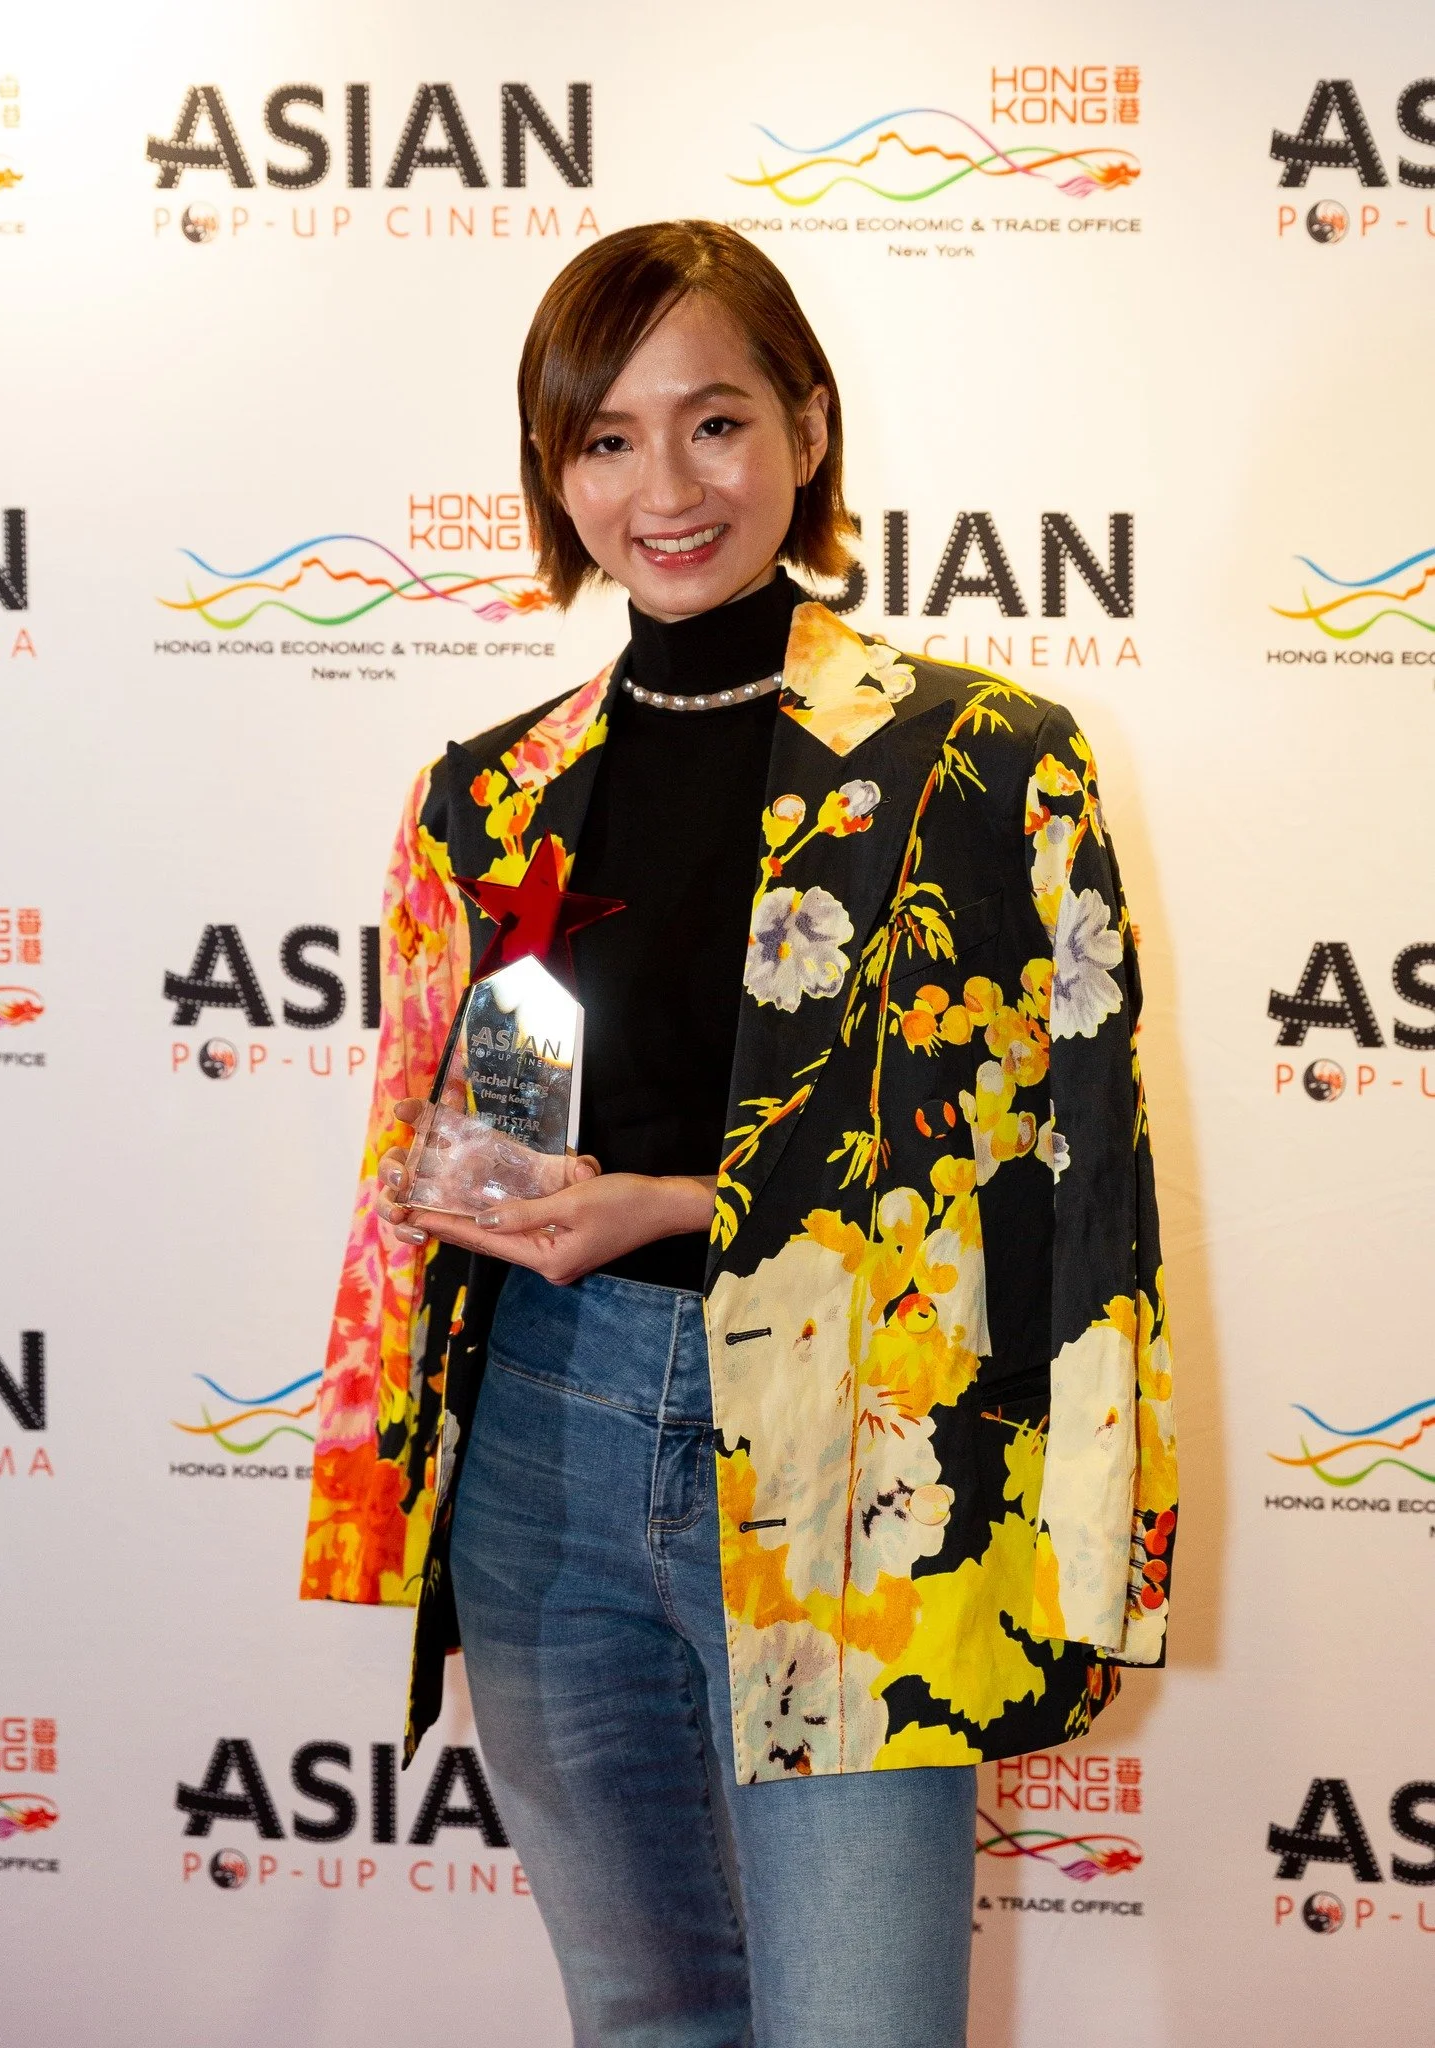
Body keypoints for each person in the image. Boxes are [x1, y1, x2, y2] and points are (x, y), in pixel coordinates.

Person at [300, 220, 1179, 2047]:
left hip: (859, 1456)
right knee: (643, 2014)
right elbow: (465, 1131)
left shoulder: (983, 759)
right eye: (606, 440)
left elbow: (1063, 1172)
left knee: (860, 2023)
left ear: (807, 426)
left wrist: (673, 1204)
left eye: (714, 423)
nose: (666, 491)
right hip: (539, 1447)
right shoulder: (489, 790)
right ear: (555, 473)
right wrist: (478, 1188)